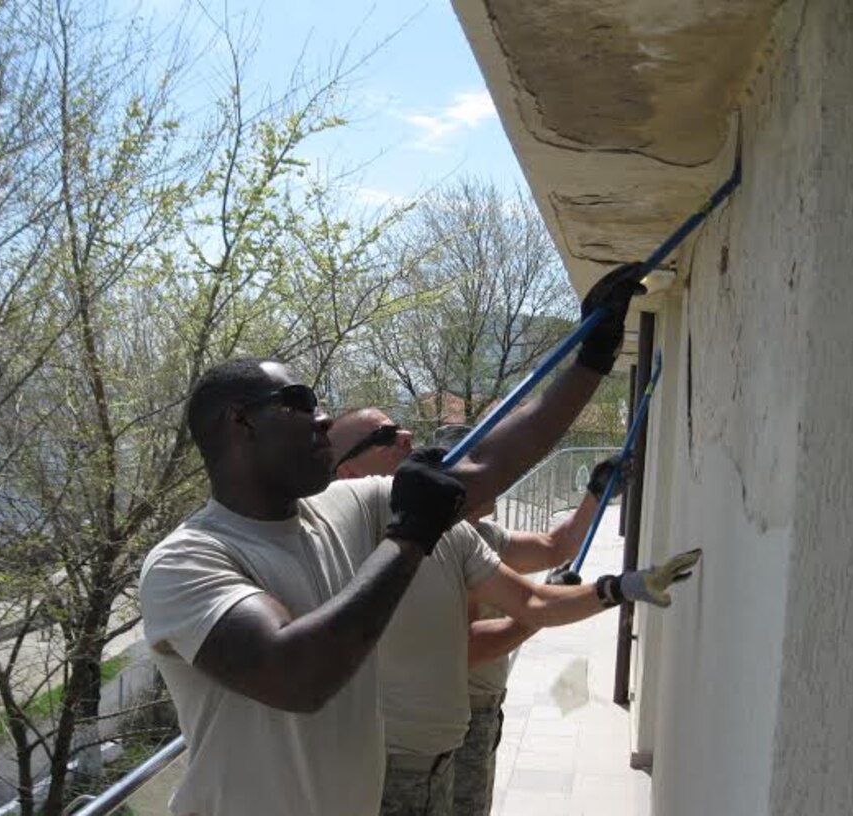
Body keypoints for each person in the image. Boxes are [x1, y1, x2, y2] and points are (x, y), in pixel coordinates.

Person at [137, 268, 647, 816]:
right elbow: (297, 677)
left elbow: (485, 464)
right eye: (299, 402)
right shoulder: (186, 562)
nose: (323, 419)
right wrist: (409, 537)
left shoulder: (344, 507)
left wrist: (592, 356)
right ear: (240, 423)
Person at [329, 413, 698, 816]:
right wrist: (535, 619)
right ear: (347, 471)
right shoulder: (350, 547)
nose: (488, 474)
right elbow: (468, 646)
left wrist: (619, 577)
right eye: (384, 436)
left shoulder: (463, 534)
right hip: (393, 765)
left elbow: (549, 560)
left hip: (447, 745)